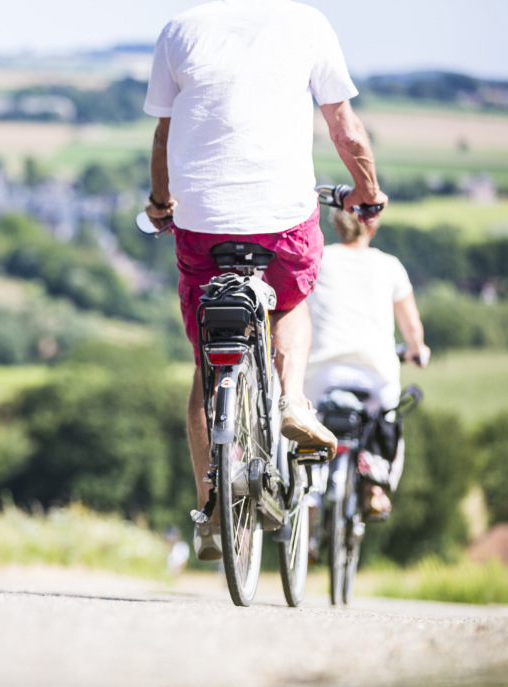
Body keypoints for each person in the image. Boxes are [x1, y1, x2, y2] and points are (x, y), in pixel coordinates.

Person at [143, 0, 389, 561]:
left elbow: (164, 137)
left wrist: (161, 203)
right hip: (282, 216)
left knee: (209, 362)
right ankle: (294, 401)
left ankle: (210, 509)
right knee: (293, 300)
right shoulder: (307, 22)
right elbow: (345, 130)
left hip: (200, 221)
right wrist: (367, 191)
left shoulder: (178, 28)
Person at [304, 209, 430, 516]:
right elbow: (411, 327)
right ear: (371, 229)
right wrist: (417, 350)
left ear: (335, 226)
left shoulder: (317, 258)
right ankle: (374, 487)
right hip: (374, 375)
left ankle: (307, 496)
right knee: (387, 419)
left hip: (320, 373)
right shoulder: (390, 266)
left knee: (308, 425)